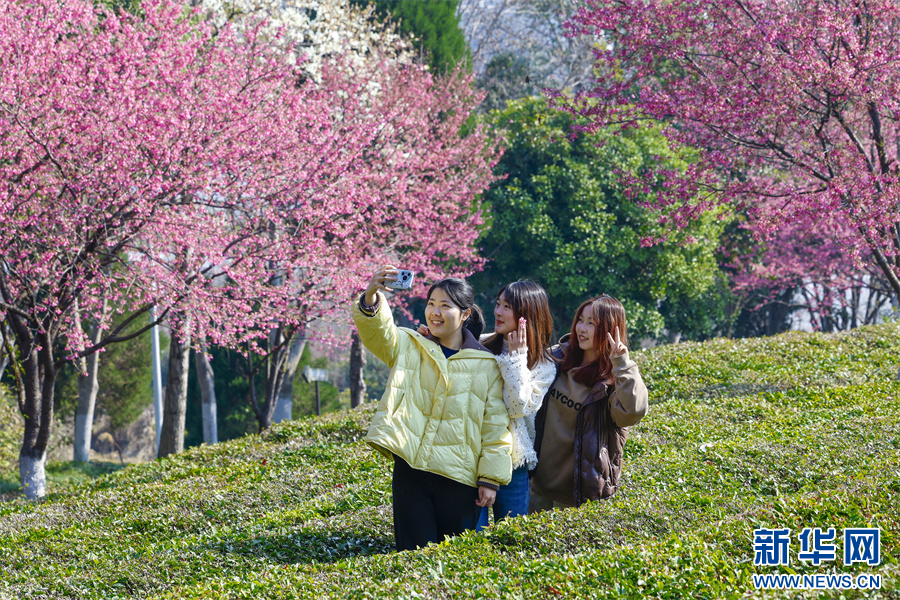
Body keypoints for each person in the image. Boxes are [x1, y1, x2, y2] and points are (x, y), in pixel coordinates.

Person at [352, 266, 513, 551]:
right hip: (411, 473)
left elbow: (495, 427)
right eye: (431, 304)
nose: (435, 312)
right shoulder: (412, 346)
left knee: (454, 560)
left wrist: (490, 479)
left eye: (445, 306)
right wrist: (371, 296)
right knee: (412, 557)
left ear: (465, 314)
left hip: (459, 479)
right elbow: (379, 333)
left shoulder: (487, 365)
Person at [529, 294, 648, 511]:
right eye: (581, 320)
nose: (581, 328)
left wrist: (622, 364)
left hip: (576, 496)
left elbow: (634, 412)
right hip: (536, 486)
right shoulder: (557, 358)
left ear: (610, 329)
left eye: (591, 323)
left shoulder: (613, 381)